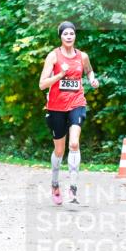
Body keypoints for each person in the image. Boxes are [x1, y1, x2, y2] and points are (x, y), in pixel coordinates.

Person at [38, 21, 98, 205]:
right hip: (56, 107)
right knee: (59, 150)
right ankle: (55, 184)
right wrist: (59, 76)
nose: (69, 36)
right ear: (60, 37)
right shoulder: (53, 56)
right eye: (65, 34)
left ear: (75, 36)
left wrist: (93, 80)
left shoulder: (83, 56)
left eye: (72, 33)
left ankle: (73, 189)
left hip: (77, 103)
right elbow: (42, 84)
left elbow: (89, 71)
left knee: (74, 144)